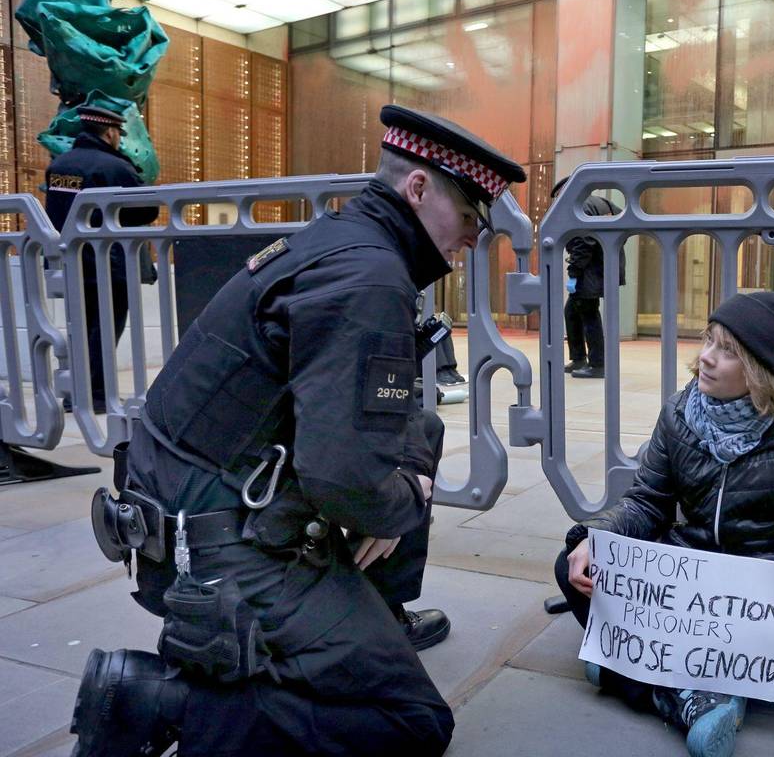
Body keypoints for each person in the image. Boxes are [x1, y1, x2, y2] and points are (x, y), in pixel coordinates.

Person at [73, 105, 526, 756]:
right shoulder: (371, 277)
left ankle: (370, 623)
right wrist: (404, 498)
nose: (474, 238)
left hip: (184, 512)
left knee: (417, 432)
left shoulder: (345, 241)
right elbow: (342, 480)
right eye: (470, 218)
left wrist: (389, 487)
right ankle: (163, 702)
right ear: (418, 189)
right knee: (412, 721)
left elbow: (367, 426)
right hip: (218, 552)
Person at [554, 292, 774, 757]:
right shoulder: (679, 413)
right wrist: (598, 538)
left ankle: (641, 678)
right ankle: (704, 693)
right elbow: (646, 501)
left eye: (728, 350)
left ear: (760, 370)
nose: (705, 358)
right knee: (572, 567)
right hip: (685, 583)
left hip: (758, 592)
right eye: (708, 341)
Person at [44, 105, 158, 414]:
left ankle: (75, 394)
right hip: (109, 263)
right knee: (105, 329)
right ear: (109, 132)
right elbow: (148, 209)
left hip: (71, 260)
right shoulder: (114, 166)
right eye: (118, 134)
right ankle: (96, 395)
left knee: (80, 327)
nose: (119, 139)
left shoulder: (61, 165)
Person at [551, 176, 625, 379]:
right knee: (573, 311)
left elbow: (584, 243)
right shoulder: (602, 203)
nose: (557, 201)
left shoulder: (579, 206)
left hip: (590, 270)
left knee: (589, 313)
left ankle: (597, 364)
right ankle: (579, 358)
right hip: (605, 266)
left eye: (558, 196)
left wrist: (573, 272)